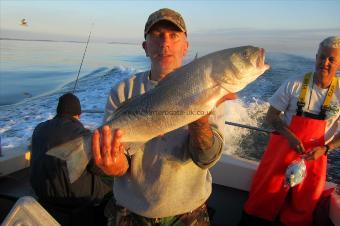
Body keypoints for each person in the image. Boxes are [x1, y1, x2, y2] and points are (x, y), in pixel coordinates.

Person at [91, 8, 231, 226]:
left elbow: (206, 159)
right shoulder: (122, 91)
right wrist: (111, 166)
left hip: (189, 214)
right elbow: (122, 162)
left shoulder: (210, 90)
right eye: (156, 35)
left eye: (174, 36)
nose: (165, 43)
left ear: (186, 47)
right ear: (145, 47)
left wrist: (199, 114)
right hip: (129, 212)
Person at [239, 36, 340, 226]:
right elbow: (271, 116)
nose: (324, 63)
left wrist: (326, 149)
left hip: (315, 158)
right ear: (316, 56)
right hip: (282, 152)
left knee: (303, 208)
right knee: (263, 199)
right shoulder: (294, 83)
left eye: (331, 59)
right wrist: (289, 135)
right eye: (322, 57)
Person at [30, 93, 112, 225]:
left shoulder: (38, 129)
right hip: (76, 200)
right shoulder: (83, 135)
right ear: (78, 115)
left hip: (43, 195)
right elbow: (100, 168)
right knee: (113, 186)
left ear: (58, 112)